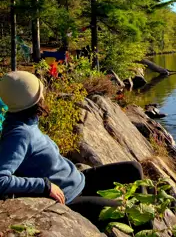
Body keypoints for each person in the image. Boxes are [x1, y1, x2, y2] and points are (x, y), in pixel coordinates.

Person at [0, 71, 144, 228]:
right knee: (137, 216)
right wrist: (44, 186)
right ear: (34, 101)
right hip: (70, 198)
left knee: (133, 169)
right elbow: (1, 180)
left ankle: (143, 213)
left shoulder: (26, 121)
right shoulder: (19, 135)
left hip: (79, 180)